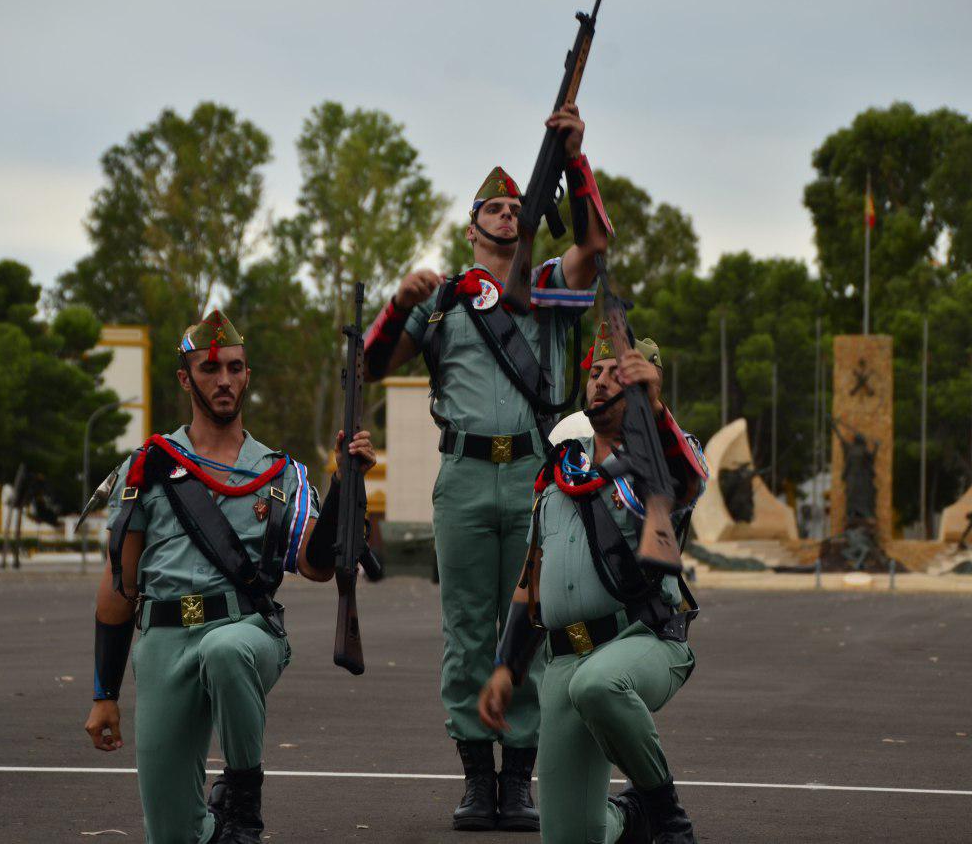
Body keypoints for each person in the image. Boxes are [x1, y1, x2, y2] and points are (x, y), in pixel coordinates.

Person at [360, 103, 612, 831]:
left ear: (528, 220)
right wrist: (396, 304)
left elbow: (596, 243)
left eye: (514, 207)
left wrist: (574, 159)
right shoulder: (444, 300)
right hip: (465, 475)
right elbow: (372, 365)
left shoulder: (551, 286)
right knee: (467, 628)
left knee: (531, 622)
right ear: (471, 228)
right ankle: (477, 775)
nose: (505, 215)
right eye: (492, 209)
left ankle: (519, 778)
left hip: (536, 474)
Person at [83, 310, 374, 844]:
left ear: (247, 375)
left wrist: (343, 482)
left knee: (225, 650)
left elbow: (314, 564)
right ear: (184, 378)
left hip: (246, 630)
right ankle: (216, 831)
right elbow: (119, 587)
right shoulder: (148, 466)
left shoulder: (281, 473)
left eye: (235, 368)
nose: (224, 380)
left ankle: (242, 802)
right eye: (210, 368)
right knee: (171, 833)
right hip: (164, 640)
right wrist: (104, 693)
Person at [479, 325, 708, 844]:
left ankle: (667, 816)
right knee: (571, 836)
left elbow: (686, 479)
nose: (601, 382)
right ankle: (632, 819)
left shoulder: (661, 458)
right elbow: (531, 580)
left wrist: (654, 410)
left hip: (641, 641)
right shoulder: (562, 467)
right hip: (564, 659)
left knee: (599, 684)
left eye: (617, 376)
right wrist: (507, 666)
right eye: (596, 373)